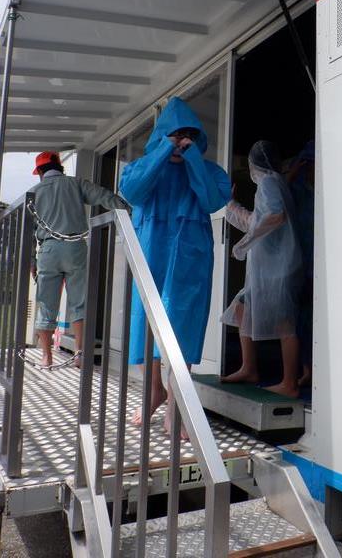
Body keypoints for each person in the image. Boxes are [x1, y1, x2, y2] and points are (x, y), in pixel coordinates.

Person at [119, 97, 230, 434]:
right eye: (174, 134)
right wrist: (162, 153)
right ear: (162, 134)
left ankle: (178, 400)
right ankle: (153, 391)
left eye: (188, 136)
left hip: (190, 256)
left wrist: (193, 157)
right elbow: (133, 193)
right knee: (148, 321)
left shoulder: (210, 171)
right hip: (152, 251)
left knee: (185, 322)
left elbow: (213, 200)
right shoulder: (142, 166)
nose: (181, 141)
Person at [30, 151, 129, 368]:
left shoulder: (34, 192)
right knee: (78, 302)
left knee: (47, 303)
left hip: (47, 250)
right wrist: (127, 209)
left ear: (40, 172)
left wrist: (32, 262)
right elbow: (104, 196)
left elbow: (29, 231)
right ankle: (80, 354)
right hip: (75, 247)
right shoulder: (75, 183)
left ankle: (46, 356)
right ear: (60, 167)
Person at [221, 140, 303, 398]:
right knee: (244, 307)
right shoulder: (276, 183)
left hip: (277, 267)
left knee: (285, 323)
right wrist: (231, 205)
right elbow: (257, 220)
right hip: (273, 267)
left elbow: (273, 216)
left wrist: (246, 242)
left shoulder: (268, 183)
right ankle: (249, 368)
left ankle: (289, 383)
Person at [287, 141, 315, 387]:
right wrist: (293, 172)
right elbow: (278, 198)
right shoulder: (296, 188)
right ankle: (307, 369)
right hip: (302, 259)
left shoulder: (330, 190)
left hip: (323, 261)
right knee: (303, 318)